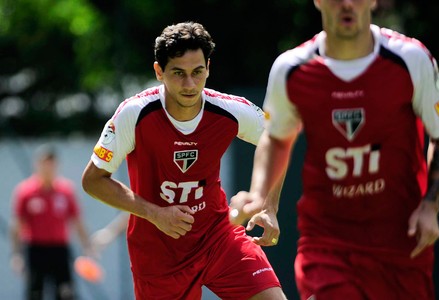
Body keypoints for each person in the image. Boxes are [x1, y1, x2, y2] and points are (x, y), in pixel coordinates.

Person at [229, 0, 439, 299]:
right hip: (327, 240)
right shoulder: (292, 69)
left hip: (401, 239)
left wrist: (430, 205)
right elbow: (277, 138)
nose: (346, 4)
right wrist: (262, 199)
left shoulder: (411, 58)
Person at [81, 21, 287, 300]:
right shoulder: (134, 114)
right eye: (178, 73)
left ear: (208, 68)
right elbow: (93, 181)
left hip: (218, 237)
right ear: (158, 71)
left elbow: (277, 140)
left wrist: (270, 205)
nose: (190, 84)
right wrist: (155, 213)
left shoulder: (229, 110)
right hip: (157, 254)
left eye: (197, 72)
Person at [10, 143, 93, 300]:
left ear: (56, 165)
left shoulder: (66, 191)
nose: (48, 167)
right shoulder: (25, 191)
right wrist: (16, 254)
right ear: (37, 164)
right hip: (35, 250)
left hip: (60, 250)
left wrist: (87, 247)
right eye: (44, 162)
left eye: (51, 162)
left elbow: (77, 221)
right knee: (35, 293)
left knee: (66, 293)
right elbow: (17, 226)